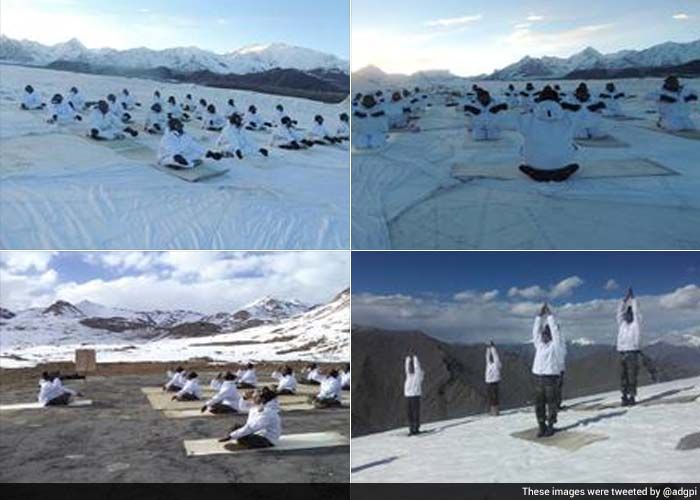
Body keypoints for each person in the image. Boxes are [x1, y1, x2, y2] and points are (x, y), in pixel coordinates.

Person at [518, 86, 579, 182]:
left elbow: (506, 123)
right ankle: (561, 167)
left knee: (524, 145)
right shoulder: (569, 116)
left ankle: (534, 168)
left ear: (539, 100)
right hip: (562, 165)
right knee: (571, 144)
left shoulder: (527, 117)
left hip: (535, 166)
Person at [531, 303, 566, 437]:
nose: (544, 336)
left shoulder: (555, 346)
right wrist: (539, 317)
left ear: (550, 336)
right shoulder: (539, 345)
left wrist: (550, 317)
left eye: (547, 334)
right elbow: (535, 332)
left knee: (551, 404)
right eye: (543, 334)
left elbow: (556, 333)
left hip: (551, 379)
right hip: (539, 378)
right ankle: (541, 425)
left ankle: (551, 425)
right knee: (539, 404)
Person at [617, 288, 642, 406]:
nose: (627, 316)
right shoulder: (622, 325)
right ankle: (624, 396)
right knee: (623, 376)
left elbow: (637, 312)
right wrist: (624, 300)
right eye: (626, 314)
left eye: (629, 314)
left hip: (632, 353)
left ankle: (632, 396)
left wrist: (633, 300)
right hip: (622, 353)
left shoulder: (635, 325)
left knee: (632, 376)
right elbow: (618, 312)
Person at [404, 354, 424, 436]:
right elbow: (407, 369)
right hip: (409, 396)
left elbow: (417, 368)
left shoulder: (417, 377)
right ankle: (412, 428)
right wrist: (407, 361)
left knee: (414, 413)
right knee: (410, 413)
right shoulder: (409, 376)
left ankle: (415, 428)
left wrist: (415, 360)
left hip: (414, 396)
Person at [484, 342, 501, 416]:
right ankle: (493, 411)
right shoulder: (490, 364)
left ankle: (495, 412)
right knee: (492, 397)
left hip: (493, 382)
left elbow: (495, 356)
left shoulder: (496, 365)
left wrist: (492, 348)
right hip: (491, 382)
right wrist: (489, 348)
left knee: (494, 397)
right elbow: (487, 357)